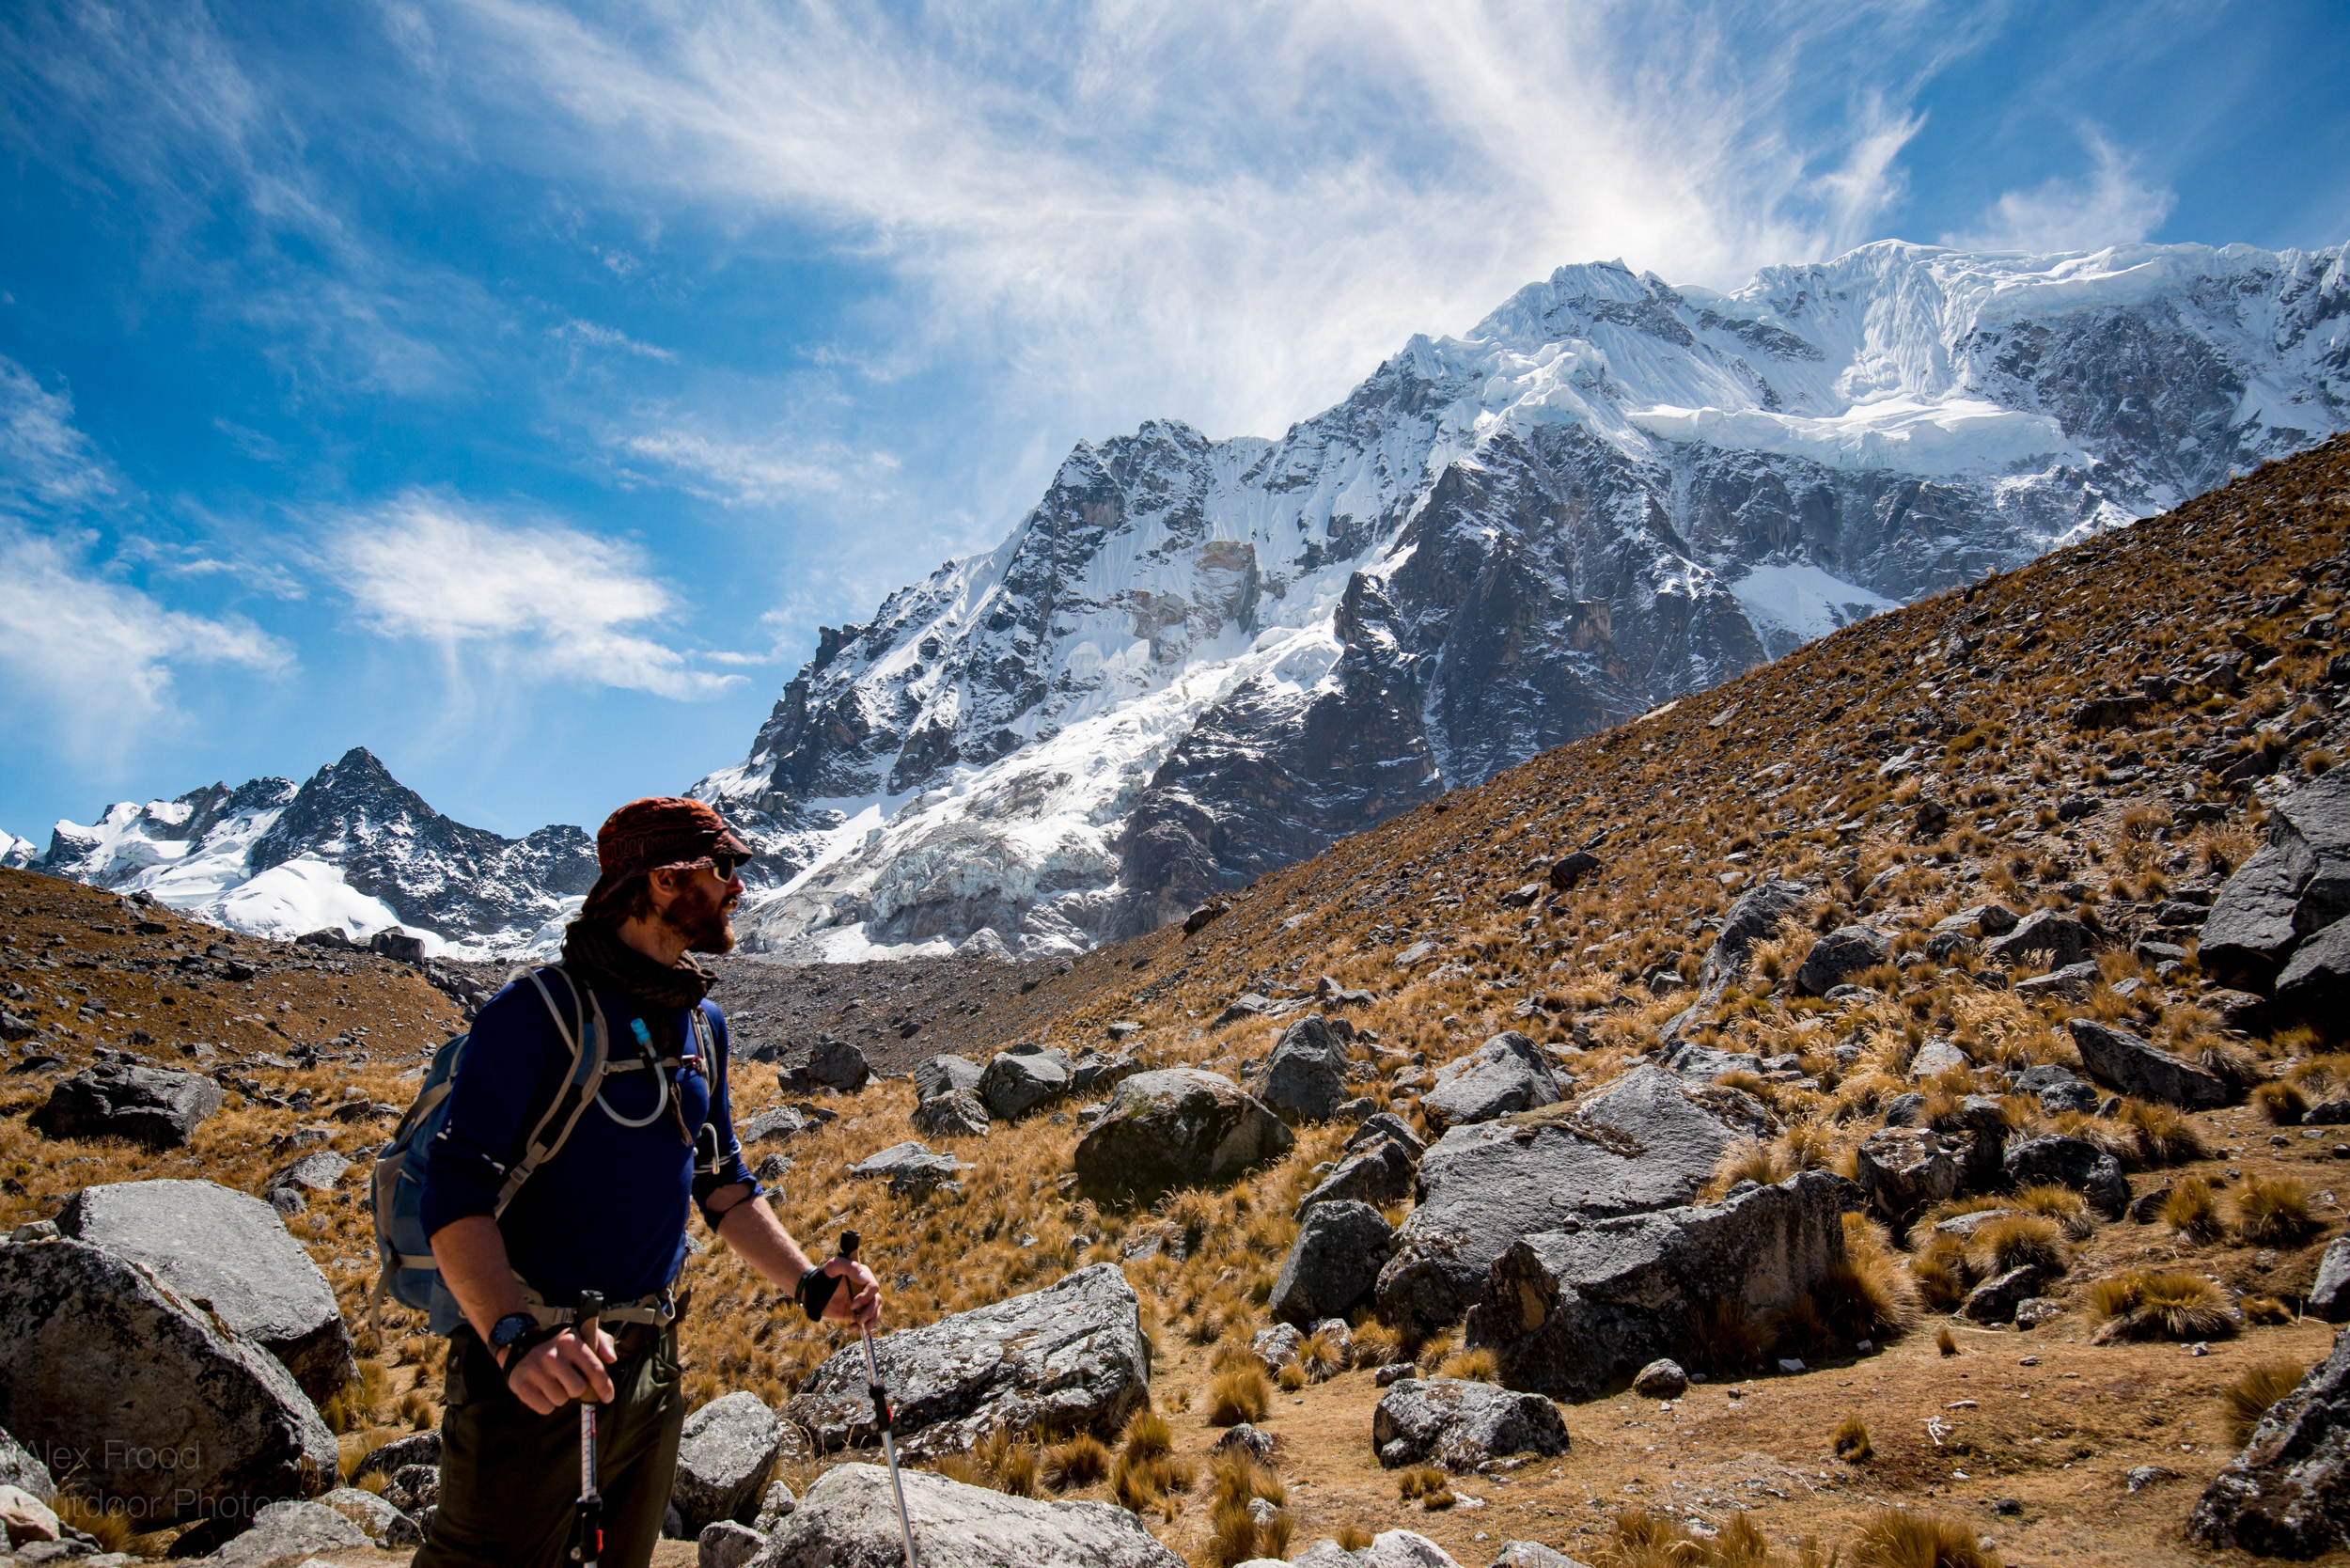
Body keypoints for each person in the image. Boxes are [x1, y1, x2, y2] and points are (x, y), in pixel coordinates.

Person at [415, 796, 880, 1568]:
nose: (737, 888)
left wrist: (808, 1286)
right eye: (722, 870)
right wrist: (512, 1340)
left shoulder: (702, 1025)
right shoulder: (533, 1014)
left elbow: (723, 1183)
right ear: (664, 882)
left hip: (649, 1365)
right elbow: (453, 1190)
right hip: (533, 1369)